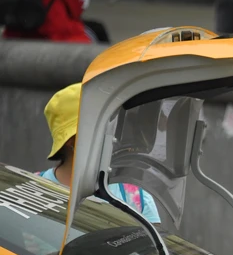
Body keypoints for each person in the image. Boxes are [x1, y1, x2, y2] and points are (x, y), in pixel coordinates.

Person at [39, 84, 160, 223]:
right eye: (99, 128)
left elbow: (153, 243)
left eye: (111, 127)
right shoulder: (30, 189)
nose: (111, 136)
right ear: (70, 141)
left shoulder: (135, 196)